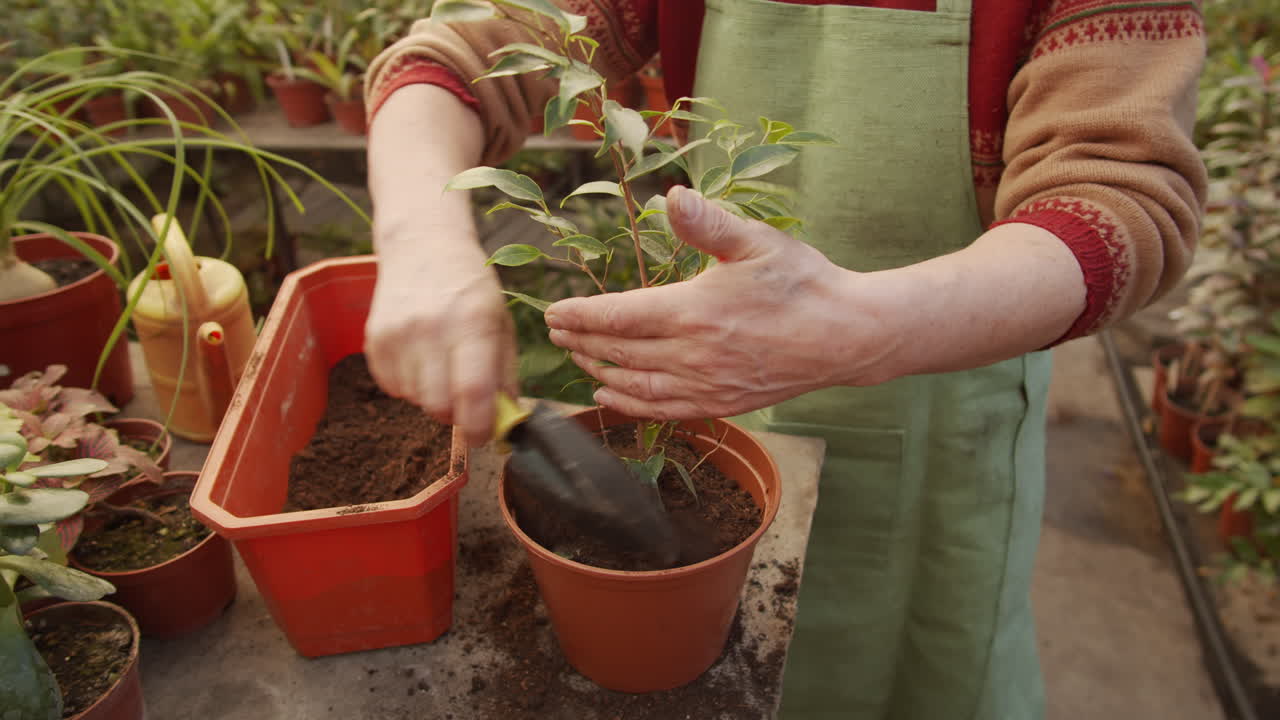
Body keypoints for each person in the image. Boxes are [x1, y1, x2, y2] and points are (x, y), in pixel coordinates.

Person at [361, 1, 1207, 717]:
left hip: (942, 420)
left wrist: (864, 325)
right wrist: (419, 239)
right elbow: (469, 51)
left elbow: (1119, 193)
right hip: (713, 391)